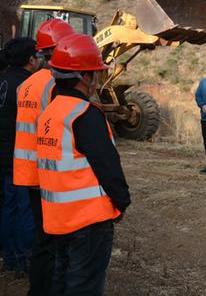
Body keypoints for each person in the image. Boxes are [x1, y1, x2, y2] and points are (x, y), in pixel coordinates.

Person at [36, 33, 130, 295]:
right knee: (84, 286)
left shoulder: (50, 112)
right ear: (85, 77)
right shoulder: (84, 114)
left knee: (62, 279)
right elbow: (107, 165)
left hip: (57, 218)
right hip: (88, 221)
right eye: (95, 74)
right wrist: (122, 201)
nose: (96, 80)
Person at [13, 19, 75, 294]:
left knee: (42, 239)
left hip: (27, 170)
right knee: (53, 242)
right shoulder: (53, 83)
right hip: (46, 173)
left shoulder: (28, 83)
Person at [0, 37, 38, 276]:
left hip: (3, 156)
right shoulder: (29, 86)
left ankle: (10, 256)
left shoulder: (2, 80)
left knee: (7, 207)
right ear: (30, 59)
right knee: (25, 208)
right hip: (19, 158)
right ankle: (23, 258)